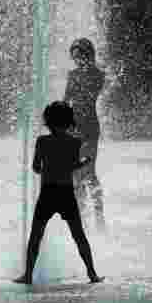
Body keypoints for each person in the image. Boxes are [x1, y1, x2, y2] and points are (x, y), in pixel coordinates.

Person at [13, 101, 103, 285]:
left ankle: (28, 274)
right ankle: (92, 274)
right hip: (66, 193)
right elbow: (73, 166)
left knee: (36, 235)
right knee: (78, 235)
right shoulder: (74, 142)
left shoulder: (42, 141)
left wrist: (48, 168)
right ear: (70, 121)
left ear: (47, 120)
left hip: (47, 193)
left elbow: (36, 168)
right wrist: (85, 161)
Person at [63, 37, 106, 232]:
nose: (77, 61)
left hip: (89, 128)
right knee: (74, 176)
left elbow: (90, 94)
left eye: (80, 56)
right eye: (74, 57)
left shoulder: (98, 74)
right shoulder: (72, 75)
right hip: (73, 128)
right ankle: (83, 218)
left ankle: (98, 215)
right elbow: (66, 100)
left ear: (89, 55)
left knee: (88, 173)